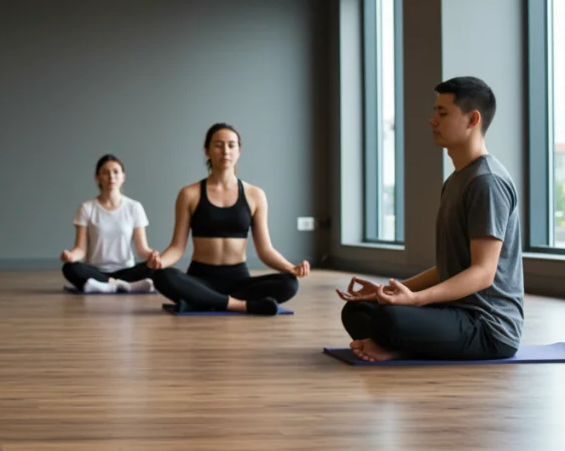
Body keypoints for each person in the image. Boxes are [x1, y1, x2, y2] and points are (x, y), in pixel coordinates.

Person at [338, 77, 523, 361]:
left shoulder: (487, 181)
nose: (432, 120)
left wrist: (414, 300)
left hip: (488, 327)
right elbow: (449, 268)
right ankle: (395, 345)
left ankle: (396, 346)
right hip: (452, 311)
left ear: (473, 119)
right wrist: (387, 291)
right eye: (435, 111)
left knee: (390, 320)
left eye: (443, 113)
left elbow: (484, 273)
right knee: (360, 309)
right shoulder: (457, 180)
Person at [148, 123, 309, 314]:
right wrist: (160, 262)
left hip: (239, 281)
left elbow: (265, 250)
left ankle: (204, 301)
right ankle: (239, 305)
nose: (225, 151)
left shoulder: (255, 195)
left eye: (231, 145)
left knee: (289, 284)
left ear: (239, 151)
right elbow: (177, 247)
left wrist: (291, 268)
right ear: (207, 151)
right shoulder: (189, 194)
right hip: (200, 279)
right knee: (162, 276)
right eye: (218, 145)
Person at [59, 154, 156, 293]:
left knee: (156, 268)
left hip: (126, 270)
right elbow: (81, 249)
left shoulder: (134, 207)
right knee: (70, 268)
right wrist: (71, 256)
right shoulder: (87, 208)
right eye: (105, 172)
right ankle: (123, 286)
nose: (111, 176)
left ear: (123, 176)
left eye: (116, 172)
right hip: (96, 270)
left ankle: (106, 286)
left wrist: (153, 256)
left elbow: (141, 249)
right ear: (97, 177)